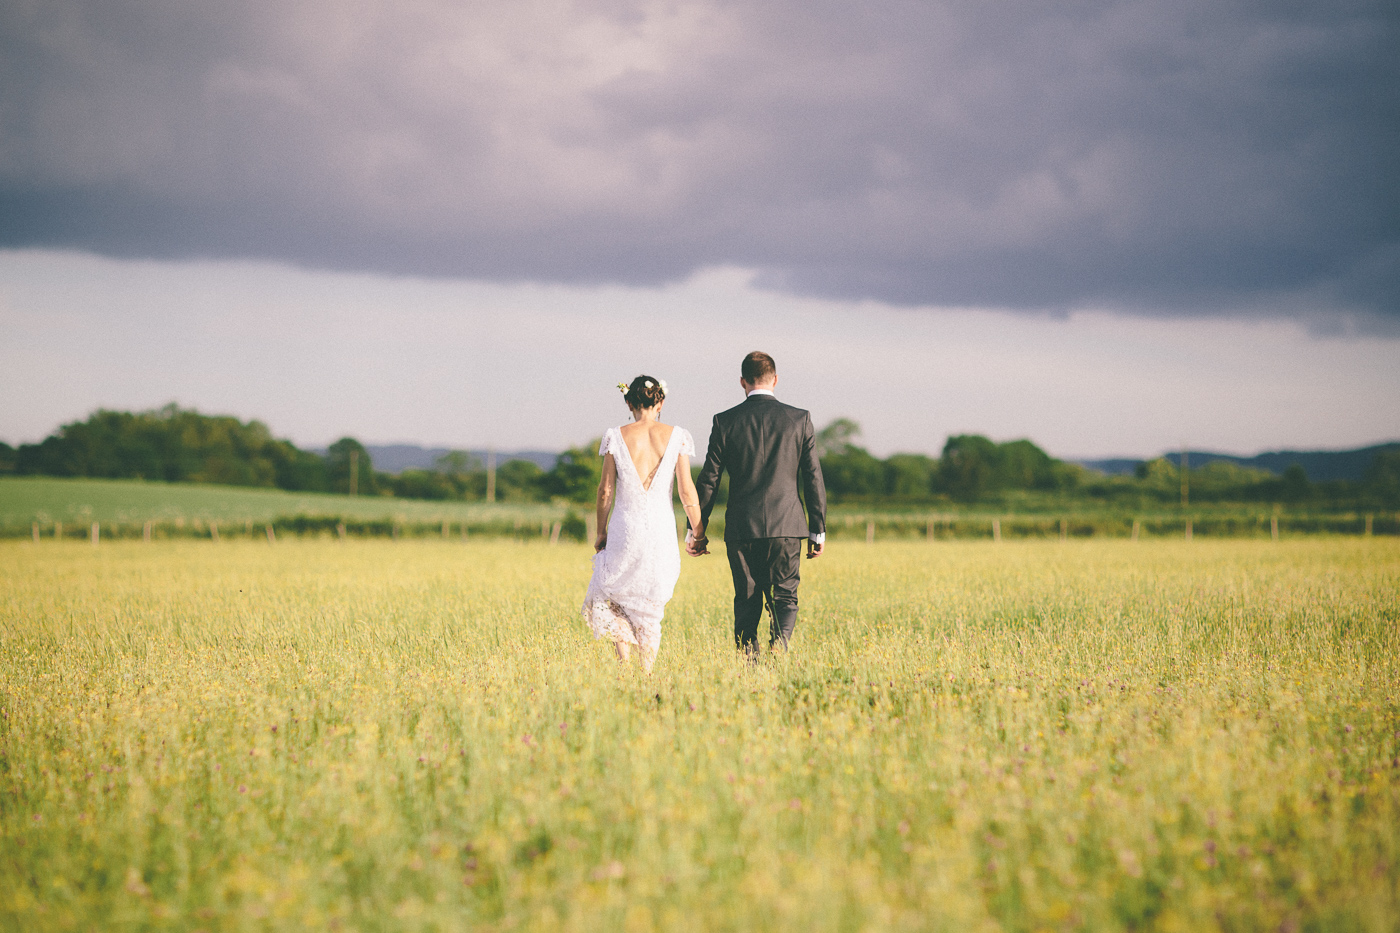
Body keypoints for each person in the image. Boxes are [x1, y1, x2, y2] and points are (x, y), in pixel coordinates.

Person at [689, 351, 827, 658]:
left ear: (742, 382)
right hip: (788, 525)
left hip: (741, 526)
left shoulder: (724, 422)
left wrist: (696, 529)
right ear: (775, 379)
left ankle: (748, 662)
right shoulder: (799, 419)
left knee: (746, 596)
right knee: (785, 595)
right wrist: (818, 530)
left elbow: (709, 479)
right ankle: (779, 646)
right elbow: (813, 476)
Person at [582, 375, 703, 672]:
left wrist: (600, 530)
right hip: (661, 528)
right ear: (660, 402)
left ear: (628, 402)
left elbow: (605, 491)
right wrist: (698, 531)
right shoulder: (678, 435)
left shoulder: (615, 435)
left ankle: (625, 666)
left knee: (609, 594)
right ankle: (646, 672)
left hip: (626, 526)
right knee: (651, 601)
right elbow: (687, 490)